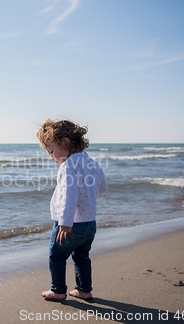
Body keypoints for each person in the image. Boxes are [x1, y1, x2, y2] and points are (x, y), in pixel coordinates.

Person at [36, 118, 107, 301]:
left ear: (65, 142)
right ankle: (84, 290)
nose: (51, 157)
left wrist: (65, 224)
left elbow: (69, 195)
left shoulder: (68, 166)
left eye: (52, 151)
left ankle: (58, 290)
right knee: (82, 256)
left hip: (71, 224)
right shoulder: (93, 163)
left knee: (57, 256)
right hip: (89, 224)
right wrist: (89, 194)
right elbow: (102, 188)